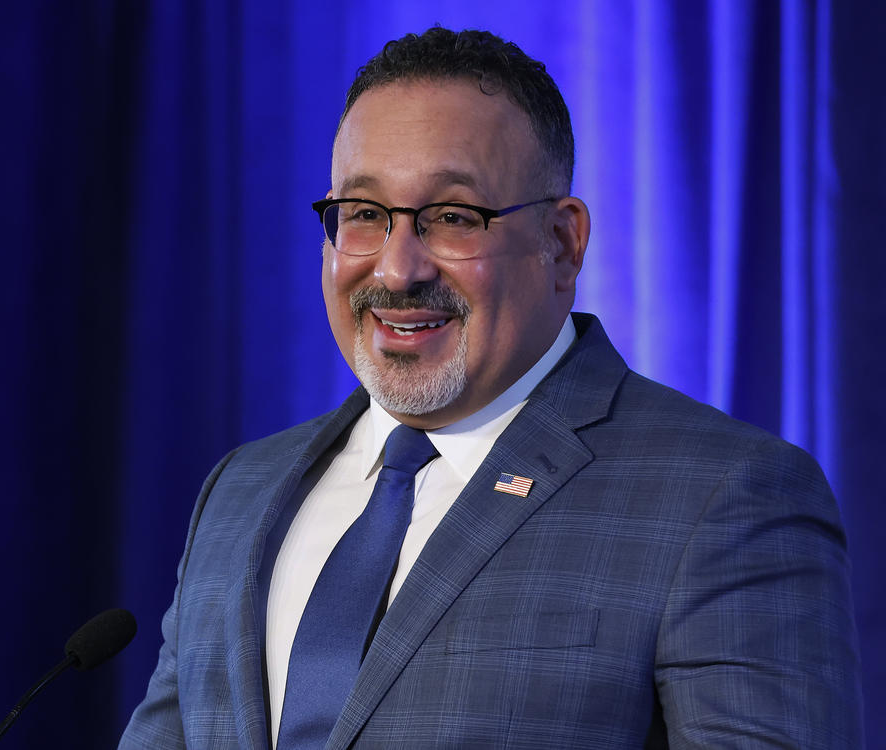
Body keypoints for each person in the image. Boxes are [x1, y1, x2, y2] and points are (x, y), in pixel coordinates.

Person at [119, 27, 862, 748]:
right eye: (366, 214)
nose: (397, 269)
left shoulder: (726, 498)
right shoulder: (238, 491)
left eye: (451, 217)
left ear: (562, 244)